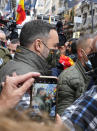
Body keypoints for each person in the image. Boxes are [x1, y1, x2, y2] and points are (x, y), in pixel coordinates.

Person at [0, 20, 59, 85]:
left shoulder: (10, 65)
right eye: (55, 45)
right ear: (38, 45)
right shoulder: (29, 79)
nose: (57, 49)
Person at [57, 34, 93, 115]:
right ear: (81, 52)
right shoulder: (68, 77)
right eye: (92, 50)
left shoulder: (93, 73)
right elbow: (63, 115)